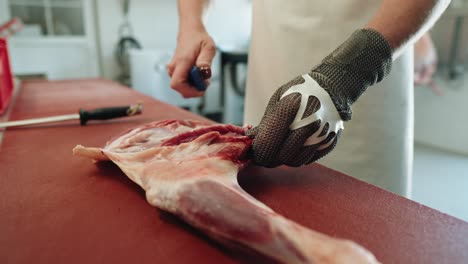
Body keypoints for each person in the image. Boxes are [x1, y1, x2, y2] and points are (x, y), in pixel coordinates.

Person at [167, 0, 451, 197]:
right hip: (272, 60)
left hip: (368, 79)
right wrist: (190, 25)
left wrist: (347, 74)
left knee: (365, 229)